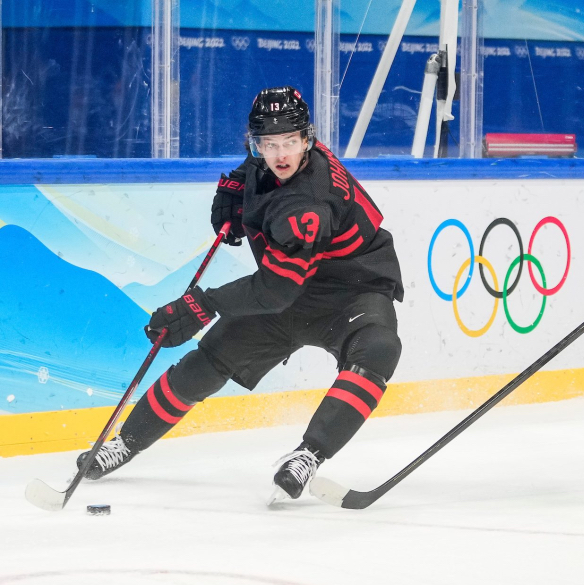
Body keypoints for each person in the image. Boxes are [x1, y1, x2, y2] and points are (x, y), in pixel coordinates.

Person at [77, 86, 405, 503]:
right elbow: (257, 170)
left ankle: (307, 456)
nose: (280, 154)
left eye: (289, 142)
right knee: (210, 359)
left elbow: (274, 290)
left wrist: (202, 304)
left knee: (377, 350)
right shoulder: (273, 159)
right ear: (255, 142)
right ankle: (126, 443)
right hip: (290, 290)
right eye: (269, 144)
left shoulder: (306, 204)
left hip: (352, 291)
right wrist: (237, 185)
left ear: (308, 140)